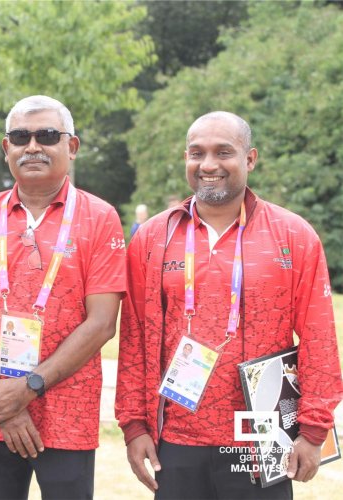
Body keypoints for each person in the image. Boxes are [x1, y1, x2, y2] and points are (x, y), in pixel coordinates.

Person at [116, 111, 343, 499]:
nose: (208, 165)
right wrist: (134, 426)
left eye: (223, 152)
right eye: (196, 153)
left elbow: (319, 336)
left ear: (249, 159)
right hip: (177, 437)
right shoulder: (154, 237)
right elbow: (134, 337)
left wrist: (313, 429)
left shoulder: (293, 235)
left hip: (262, 437)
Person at [0, 95, 126, 499]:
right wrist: (0, 398)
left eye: (47, 136)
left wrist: (26, 388)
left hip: (67, 413)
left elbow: (102, 323)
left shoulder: (100, 218)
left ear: (72, 146)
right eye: (20, 136)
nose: (32, 146)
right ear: (5, 147)